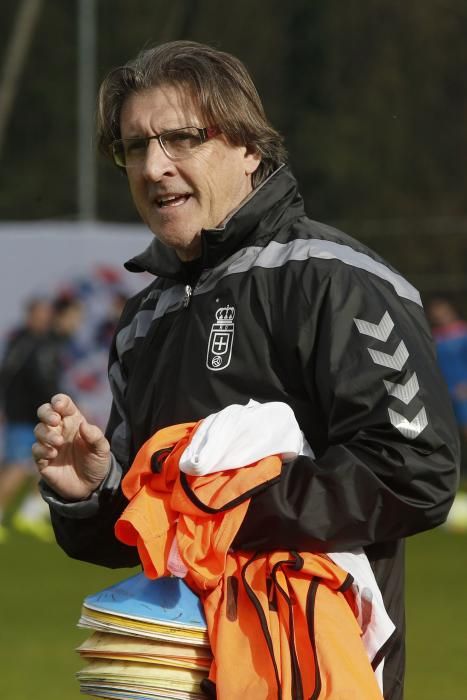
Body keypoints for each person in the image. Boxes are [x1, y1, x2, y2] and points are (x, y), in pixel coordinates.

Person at [33, 41, 459, 699]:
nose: (155, 167)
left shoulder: (336, 281)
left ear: (248, 147)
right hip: (175, 675)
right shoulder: (143, 320)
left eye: (181, 139)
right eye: (135, 148)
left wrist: (219, 506)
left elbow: (413, 471)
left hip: (310, 670)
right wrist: (89, 491)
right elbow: (148, 527)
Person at [0, 297, 59, 542]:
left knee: (46, 465)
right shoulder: (29, 344)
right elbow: (31, 380)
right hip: (24, 415)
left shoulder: (26, 342)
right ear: (31, 315)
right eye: (41, 313)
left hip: (34, 415)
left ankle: (30, 514)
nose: (45, 318)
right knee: (16, 468)